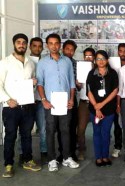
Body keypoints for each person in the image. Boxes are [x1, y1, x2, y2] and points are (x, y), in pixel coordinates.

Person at [0, 33, 42, 178]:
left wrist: (34, 83)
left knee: (27, 136)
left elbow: (32, 84)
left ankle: (27, 160)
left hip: (28, 106)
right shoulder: (5, 62)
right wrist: (7, 99)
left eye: (24, 42)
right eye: (19, 42)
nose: (21, 45)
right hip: (11, 107)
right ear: (14, 44)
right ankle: (8, 164)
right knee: (10, 136)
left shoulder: (30, 62)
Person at [37, 33, 79, 172]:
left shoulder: (67, 61)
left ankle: (67, 157)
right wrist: (44, 100)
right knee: (50, 130)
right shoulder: (42, 62)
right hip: (50, 102)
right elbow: (40, 83)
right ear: (47, 45)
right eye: (51, 43)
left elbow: (72, 83)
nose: (54, 46)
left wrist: (72, 98)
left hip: (66, 102)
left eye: (56, 43)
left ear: (60, 45)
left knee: (65, 130)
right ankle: (52, 159)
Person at [86, 50, 119, 167]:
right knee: (96, 133)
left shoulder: (113, 73)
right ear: (95, 60)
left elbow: (115, 90)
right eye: (98, 59)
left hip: (109, 109)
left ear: (107, 60)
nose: (101, 61)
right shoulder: (91, 73)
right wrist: (96, 107)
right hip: (94, 109)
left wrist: (102, 104)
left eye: (103, 58)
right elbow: (89, 91)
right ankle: (98, 157)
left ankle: (105, 156)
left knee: (106, 133)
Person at [29, 37, 48, 163]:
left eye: (40, 46)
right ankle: (23, 153)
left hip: (41, 100)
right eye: (34, 46)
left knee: (43, 129)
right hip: (27, 100)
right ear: (30, 47)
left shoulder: (46, 61)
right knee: (25, 129)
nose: (37, 48)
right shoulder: (25, 61)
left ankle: (44, 152)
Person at [60, 39, 79, 162]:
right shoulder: (57, 61)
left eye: (72, 50)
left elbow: (77, 84)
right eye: (67, 49)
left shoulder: (76, 64)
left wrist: (79, 84)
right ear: (63, 49)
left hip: (72, 99)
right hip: (58, 98)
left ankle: (71, 152)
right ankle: (62, 153)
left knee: (72, 127)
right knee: (61, 128)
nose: (69, 51)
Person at [77, 47, 95, 161]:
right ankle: (81, 150)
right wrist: (78, 84)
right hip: (84, 102)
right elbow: (78, 89)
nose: (88, 58)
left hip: (97, 104)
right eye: (86, 56)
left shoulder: (99, 68)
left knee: (99, 128)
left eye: (90, 56)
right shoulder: (80, 68)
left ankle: (101, 150)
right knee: (81, 128)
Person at [111, 43, 125, 158]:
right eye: (120, 51)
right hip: (114, 98)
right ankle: (117, 146)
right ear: (118, 52)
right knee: (117, 124)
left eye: (124, 51)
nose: (122, 53)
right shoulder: (112, 65)